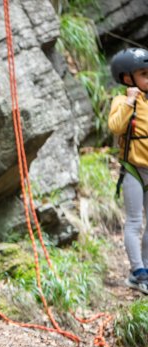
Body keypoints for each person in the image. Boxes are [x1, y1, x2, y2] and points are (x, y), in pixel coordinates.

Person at [109, 47, 148, 295]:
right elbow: (115, 127)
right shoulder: (122, 101)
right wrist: (130, 101)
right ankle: (137, 271)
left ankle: (147, 270)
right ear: (127, 79)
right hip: (133, 169)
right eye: (144, 73)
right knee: (134, 220)